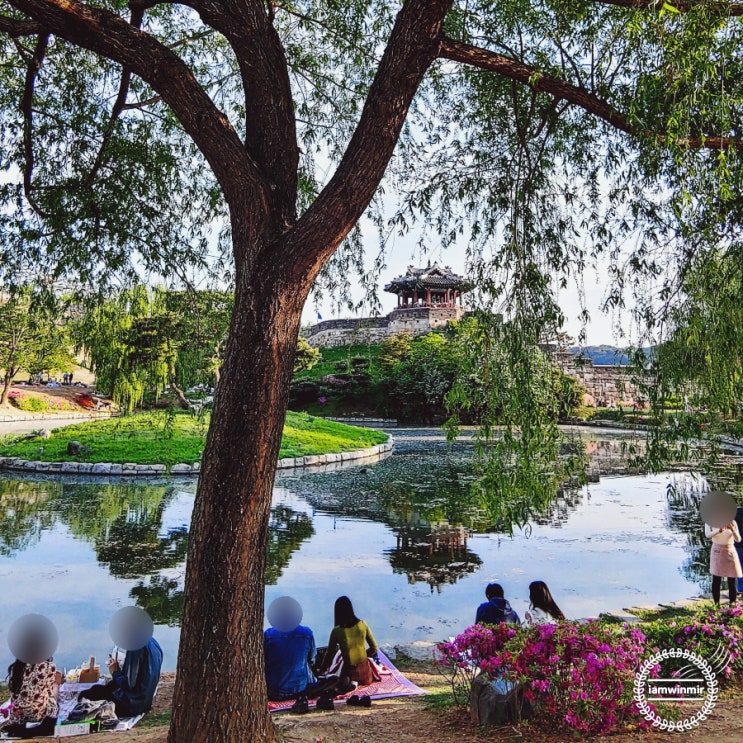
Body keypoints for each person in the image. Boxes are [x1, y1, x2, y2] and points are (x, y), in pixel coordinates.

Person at [263, 596, 341, 711]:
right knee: (333, 679)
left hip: (273, 692)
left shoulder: (268, 635)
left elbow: (263, 661)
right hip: (300, 690)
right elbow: (312, 660)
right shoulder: (306, 633)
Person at [78, 636, 163, 717]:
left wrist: (114, 672)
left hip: (131, 705)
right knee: (101, 687)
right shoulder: (153, 642)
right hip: (145, 699)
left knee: (85, 695)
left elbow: (129, 685)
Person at [321, 596, 379, 687]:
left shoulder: (337, 631)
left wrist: (322, 669)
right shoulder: (363, 624)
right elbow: (374, 648)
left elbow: (329, 654)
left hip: (350, 678)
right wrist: (363, 657)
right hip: (366, 677)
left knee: (336, 672)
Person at [0, 658, 59, 737]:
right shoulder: (49, 666)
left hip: (18, 716)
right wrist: (56, 684)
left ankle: (20, 728)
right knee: (54, 704)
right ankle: (43, 727)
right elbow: (51, 694)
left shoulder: (15, 667)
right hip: (37, 714)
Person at [705, 519, 742, 604]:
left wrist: (733, 530)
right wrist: (718, 530)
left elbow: (738, 539)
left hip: (730, 550)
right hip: (717, 550)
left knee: (732, 579)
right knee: (716, 579)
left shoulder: (732, 522)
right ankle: (716, 604)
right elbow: (707, 535)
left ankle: (732, 604)